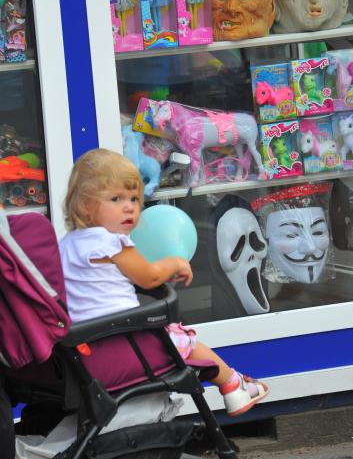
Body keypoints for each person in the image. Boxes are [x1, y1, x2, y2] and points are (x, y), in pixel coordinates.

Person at [59, 148, 269, 417]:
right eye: (116, 198)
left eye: (134, 199)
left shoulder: (67, 245)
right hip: (124, 342)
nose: (129, 207)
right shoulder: (113, 243)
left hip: (88, 347)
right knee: (183, 340)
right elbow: (149, 276)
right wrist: (175, 263)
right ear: (86, 205)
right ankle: (233, 385)